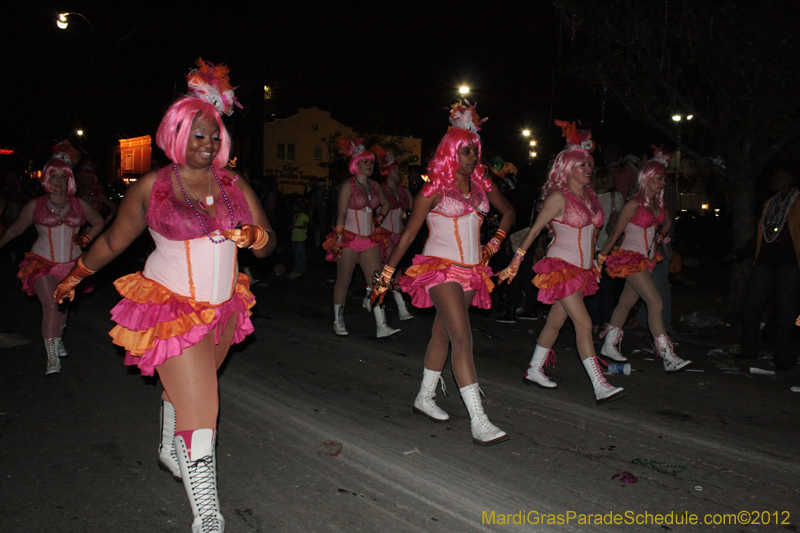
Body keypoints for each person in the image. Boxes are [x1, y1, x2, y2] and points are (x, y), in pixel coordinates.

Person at [53, 59, 275, 533]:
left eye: (214, 135)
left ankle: (164, 444)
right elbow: (113, 241)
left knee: (190, 390)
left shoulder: (235, 185)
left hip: (222, 308)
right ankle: (208, 516)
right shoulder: (154, 188)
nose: (208, 144)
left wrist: (256, 236)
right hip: (170, 306)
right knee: (202, 410)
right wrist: (75, 275)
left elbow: (270, 240)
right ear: (176, 135)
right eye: (198, 135)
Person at [371, 100, 515, 446]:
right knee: (463, 339)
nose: (472, 157)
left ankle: (424, 396)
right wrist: (386, 274)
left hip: (471, 270)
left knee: (443, 334)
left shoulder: (483, 186)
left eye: (474, 151)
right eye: (465, 151)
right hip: (440, 267)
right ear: (451, 152)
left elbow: (509, 212)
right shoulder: (432, 189)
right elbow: (407, 235)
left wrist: (493, 245)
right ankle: (478, 419)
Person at [498, 120, 625, 403]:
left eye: (589, 164)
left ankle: (534, 369)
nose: (589, 169)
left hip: (581, 270)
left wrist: (595, 262)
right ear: (567, 167)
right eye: (582, 164)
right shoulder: (558, 197)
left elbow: (592, 236)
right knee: (583, 323)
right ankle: (599, 384)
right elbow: (533, 231)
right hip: (560, 266)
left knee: (555, 321)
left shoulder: (591, 199)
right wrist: (516, 261)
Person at [0, 143, 104, 375]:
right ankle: (52, 358)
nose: (58, 181)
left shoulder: (79, 204)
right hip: (42, 264)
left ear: (70, 180)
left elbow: (99, 221)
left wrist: (86, 238)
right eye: (54, 176)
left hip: (73, 266)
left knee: (62, 306)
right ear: (47, 178)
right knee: (51, 306)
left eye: (63, 177)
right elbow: (15, 230)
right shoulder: (35, 205)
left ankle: (57, 339)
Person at [598, 147, 691, 373]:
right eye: (659, 178)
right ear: (647, 178)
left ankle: (609, 345)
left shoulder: (656, 204)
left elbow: (667, 221)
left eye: (664, 179)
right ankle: (668, 356)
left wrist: (658, 240)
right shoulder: (633, 204)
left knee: (626, 303)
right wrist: (600, 259)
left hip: (647, 259)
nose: (662, 182)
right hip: (630, 258)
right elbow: (615, 234)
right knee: (656, 303)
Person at [322, 138, 400, 338]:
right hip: (348, 238)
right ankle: (338, 320)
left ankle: (382, 325)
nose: (369, 165)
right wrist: (339, 240)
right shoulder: (348, 185)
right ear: (356, 163)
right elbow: (340, 214)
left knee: (377, 282)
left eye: (371, 162)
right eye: (365, 162)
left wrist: (378, 220)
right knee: (344, 281)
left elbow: (386, 204)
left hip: (369, 239)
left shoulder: (374, 185)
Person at [727, 164, 800, 370]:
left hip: (790, 265)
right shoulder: (770, 204)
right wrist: (739, 254)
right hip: (765, 263)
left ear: (788, 180)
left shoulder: (798, 203)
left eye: (778, 177)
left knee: (787, 312)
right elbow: (761, 234)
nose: (773, 181)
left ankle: (785, 359)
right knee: (751, 306)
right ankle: (749, 351)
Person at [372, 144, 414, 320]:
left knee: (392, 271)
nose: (398, 171)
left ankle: (372, 297)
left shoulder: (403, 189)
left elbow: (413, 209)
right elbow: (374, 212)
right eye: (395, 169)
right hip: (386, 235)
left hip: (399, 235)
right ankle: (400, 307)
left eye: (398, 168)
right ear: (387, 171)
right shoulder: (379, 189)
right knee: (390, 271)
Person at [584, 167, 625, 333]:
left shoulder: (589, 198)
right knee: (608, 289)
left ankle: (594, 323)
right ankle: (607, 322)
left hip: (591, 247)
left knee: (592, 288)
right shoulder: (617, 197)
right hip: (610, 248)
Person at [287, 198, 309, 279]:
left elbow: (305, 226)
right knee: (296, 254)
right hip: (295, 237)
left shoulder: (304, 216)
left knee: (301, 255)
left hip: (300, 238)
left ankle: (301, 270)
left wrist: (295, 226)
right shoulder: (296, 215)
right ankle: (297, 268)